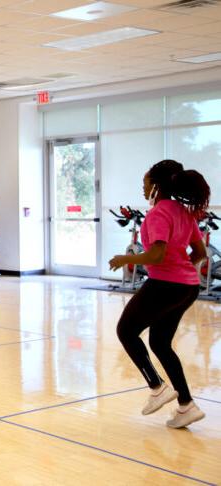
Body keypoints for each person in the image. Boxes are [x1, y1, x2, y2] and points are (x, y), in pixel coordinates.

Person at [109, 159, 209, 429]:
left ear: (156, 186)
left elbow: (157, 254)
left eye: (145, 183)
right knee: (160, 344)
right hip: (187, 287)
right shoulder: (183, 212)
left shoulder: (158, 214)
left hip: (166, 284)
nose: (143, 189)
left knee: (126, 330)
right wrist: (183, 270)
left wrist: (123, 259)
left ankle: (157, 387)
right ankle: (186, 406)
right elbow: (199, 254)